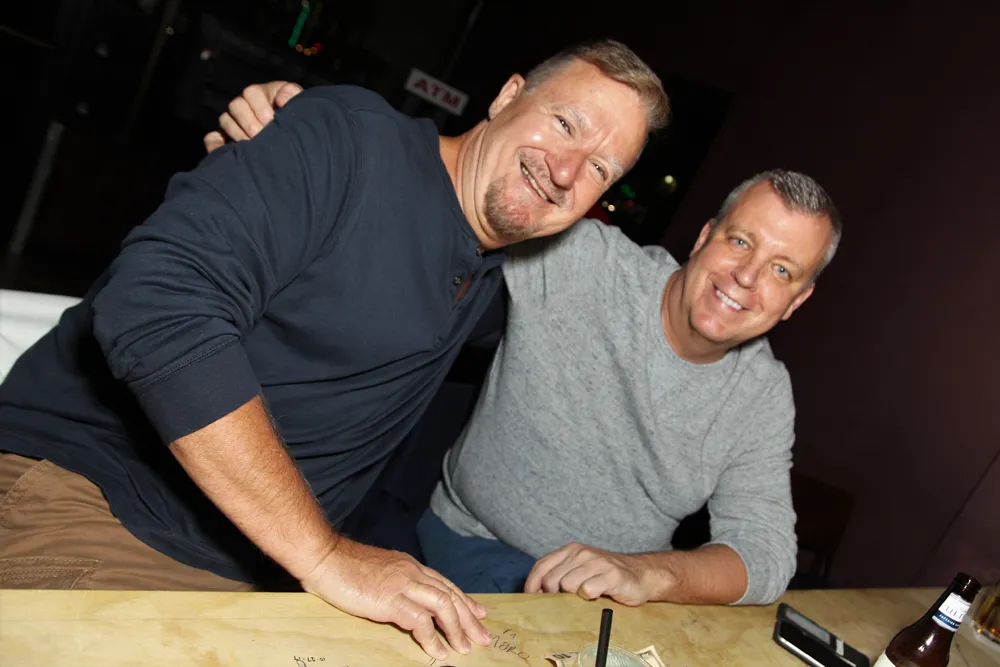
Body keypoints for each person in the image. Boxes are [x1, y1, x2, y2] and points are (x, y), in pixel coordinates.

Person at [0, 39, 669, 660]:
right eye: (565, 123)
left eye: (599, 168)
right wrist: (324, 555)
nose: (565, 170)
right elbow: (158, 303)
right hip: (91, 499)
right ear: (507, 96)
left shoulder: (498, 278)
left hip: (258, 570)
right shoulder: (350, 139)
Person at [211, 85, 840, 607]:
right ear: (704, 237)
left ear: (798, 301)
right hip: (463, 544)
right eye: (740, 242)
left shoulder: (761, 394)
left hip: (610, 600)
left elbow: (765, 552)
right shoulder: (581, 261)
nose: (747, 277)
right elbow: (458, 185)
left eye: (782, 270)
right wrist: (315, 140)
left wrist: (648, 573)